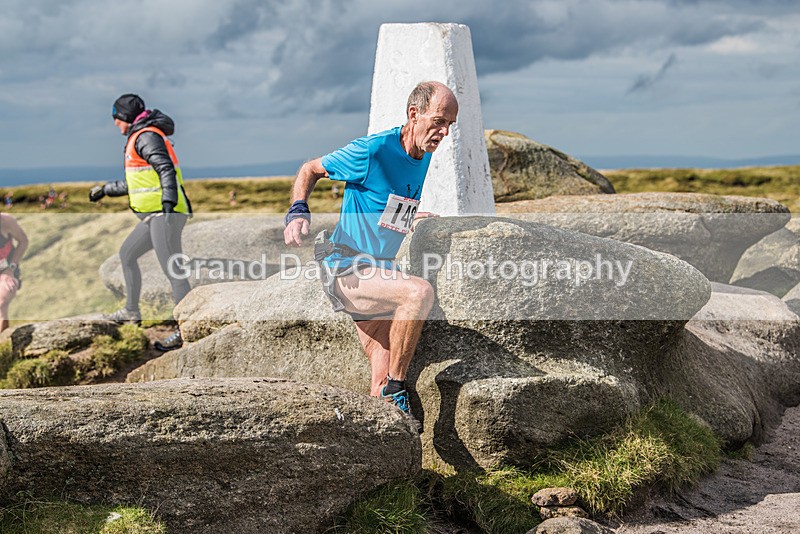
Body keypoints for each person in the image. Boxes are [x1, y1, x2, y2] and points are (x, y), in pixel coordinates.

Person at [283, 81, 458, 426]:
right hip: (346, 268)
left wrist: (407, 217)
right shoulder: (373, 150)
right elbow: (310, 169)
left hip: (379, 274)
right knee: (418, 293)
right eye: (438, 121)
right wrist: (298, 210)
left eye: (450, 125)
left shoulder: (421, 155)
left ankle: (387, 464)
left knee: (377, 387)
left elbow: (382, 202)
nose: (444, 132)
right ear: (414, 114)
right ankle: (398, 386)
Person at [89, 94, 192, 352]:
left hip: (164, 213)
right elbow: (135, 182)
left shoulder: (145, 136)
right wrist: (105, 190)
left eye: (116, 117)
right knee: (127, 254)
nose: (114, 124)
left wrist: (168, 202)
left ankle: (186, 330)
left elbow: (165, 168)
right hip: (153, 214)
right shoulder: (139, 137)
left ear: (124, 116)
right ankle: (131, 312)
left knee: (173, 270)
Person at [0, 213, 28, 332]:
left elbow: (23, 241)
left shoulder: (6, 221)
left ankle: (2, 345)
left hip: (7, 270)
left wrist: (10, 269)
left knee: (1, 301)